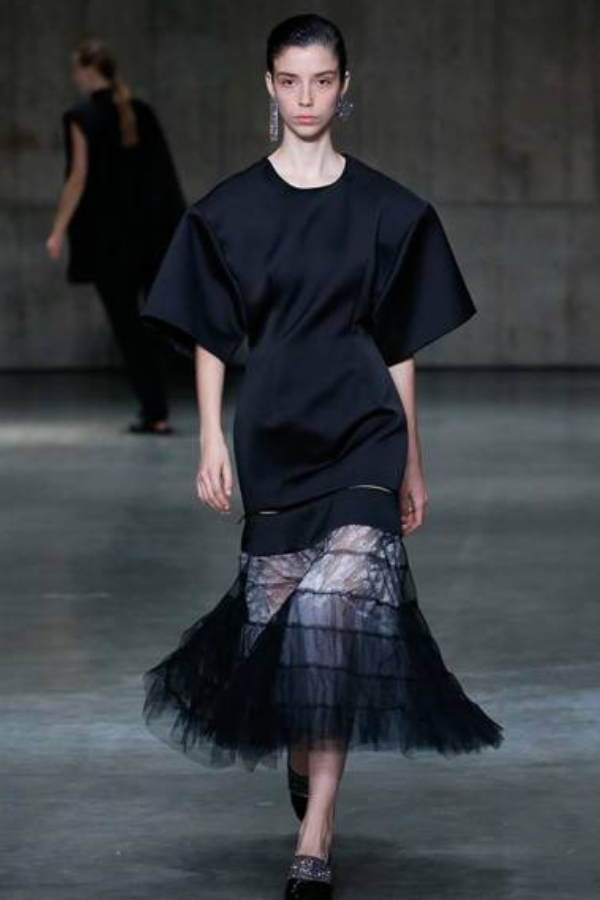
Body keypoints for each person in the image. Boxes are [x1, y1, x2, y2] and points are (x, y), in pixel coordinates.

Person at [140, 14, 504, 899]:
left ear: (346, 86)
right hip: (273, 437)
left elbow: (399, 345)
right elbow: (213, 334)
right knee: (286, 637)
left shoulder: (388, 210)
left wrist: (411, 459)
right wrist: (209, 436)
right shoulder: (228, 211)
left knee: (335, 618)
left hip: (362, 434)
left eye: (323, 80)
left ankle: (317, 831)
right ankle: (307, 761)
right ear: (269, 86)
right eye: (291, 81)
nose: (307, 97)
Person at [46, 38, 186, 435]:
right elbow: (164, 176)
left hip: (110, 242)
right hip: (153, 236)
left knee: (128, 327)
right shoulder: (140, 112)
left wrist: (58, 229)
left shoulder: (80, 116)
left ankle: (155, 412)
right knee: (160, 320)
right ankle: (185, 381)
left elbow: (78, 178)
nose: (74, 77)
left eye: (76, 69)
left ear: (88, 71)